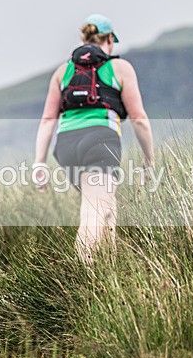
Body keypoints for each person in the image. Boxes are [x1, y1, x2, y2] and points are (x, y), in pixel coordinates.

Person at [33, 14, 154, 261]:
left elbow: (48, 120)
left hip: (65, 146)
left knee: (106, 205)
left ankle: (109, 273)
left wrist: (39, 162)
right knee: (94, 212)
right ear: (110, 39)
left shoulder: (62, 71)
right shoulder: (120, 68)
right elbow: (139, 118)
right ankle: (82, 276)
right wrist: (149, 161)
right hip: (100, 141)